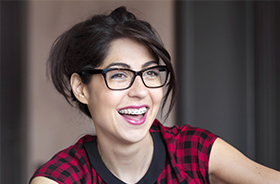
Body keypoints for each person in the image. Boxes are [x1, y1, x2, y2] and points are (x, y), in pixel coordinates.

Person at [30, 6, 280, 184]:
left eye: (150, 74)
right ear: (81, 89)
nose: (140, 92)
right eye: (119, 75)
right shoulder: (61, 178)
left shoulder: (193, 151)